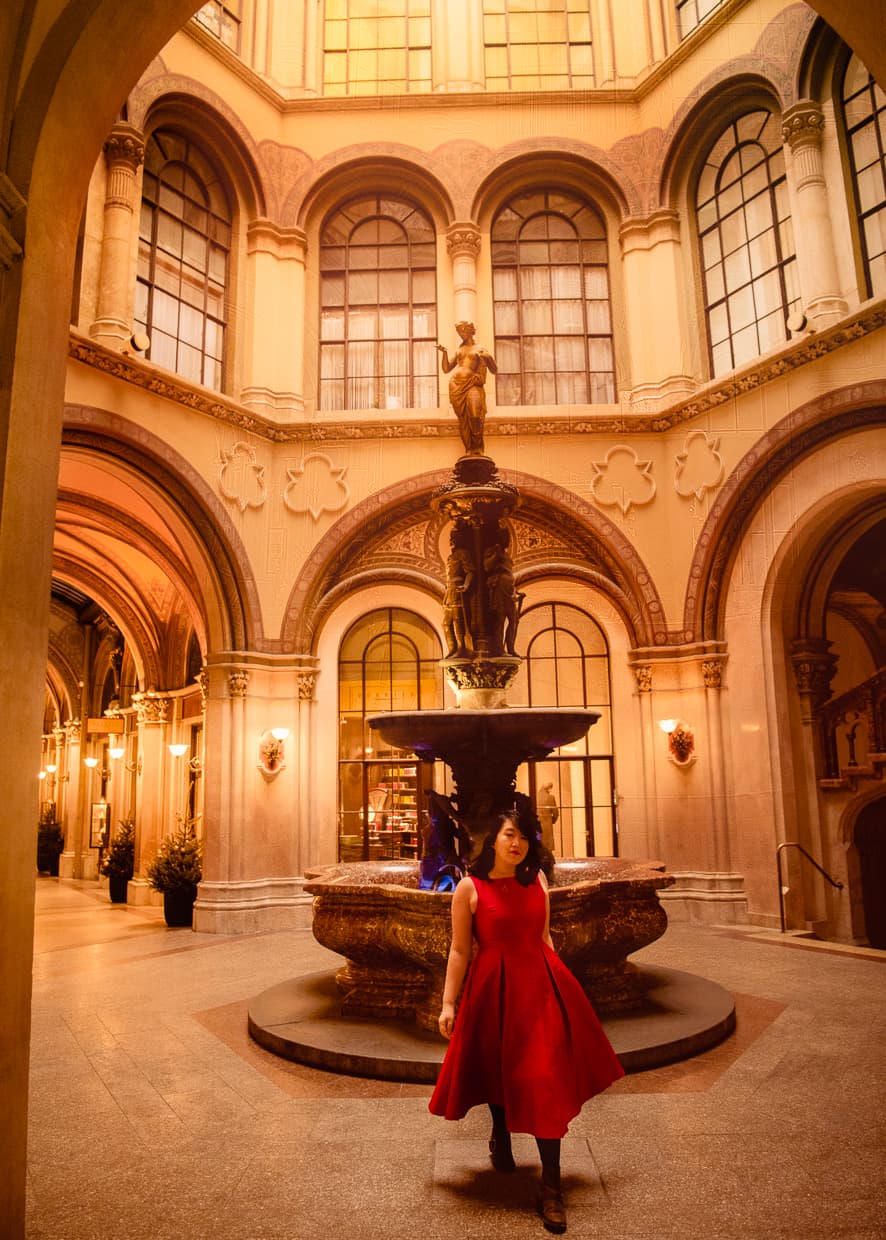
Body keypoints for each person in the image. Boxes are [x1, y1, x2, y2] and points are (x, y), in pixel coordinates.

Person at [429, 803, 624, 1234]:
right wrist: (448, 1003)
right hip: (492, 988)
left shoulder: (536, 878)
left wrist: (563, 987)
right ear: (493, 841)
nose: (517, 843)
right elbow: (460, 950)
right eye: (509, 836)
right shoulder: (470, 888)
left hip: (540, 985)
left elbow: (545, 937)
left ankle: (551, 1188)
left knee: (542, 1079)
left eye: (523, 836)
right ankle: (500, 1132)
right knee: (501, 1067)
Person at [437, 322, 497, 456]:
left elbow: (494, 370)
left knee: (475, 415)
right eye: (459, 332)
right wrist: (445, 353)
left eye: (463, 331)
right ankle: (469, 448)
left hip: (472, 385)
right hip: (456, 386)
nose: (461, 334)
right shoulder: (459, 350)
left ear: (471, 331)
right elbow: (446, 369)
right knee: (463, 419)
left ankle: (477, 447)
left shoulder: (480, 349)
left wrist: (489, 358)